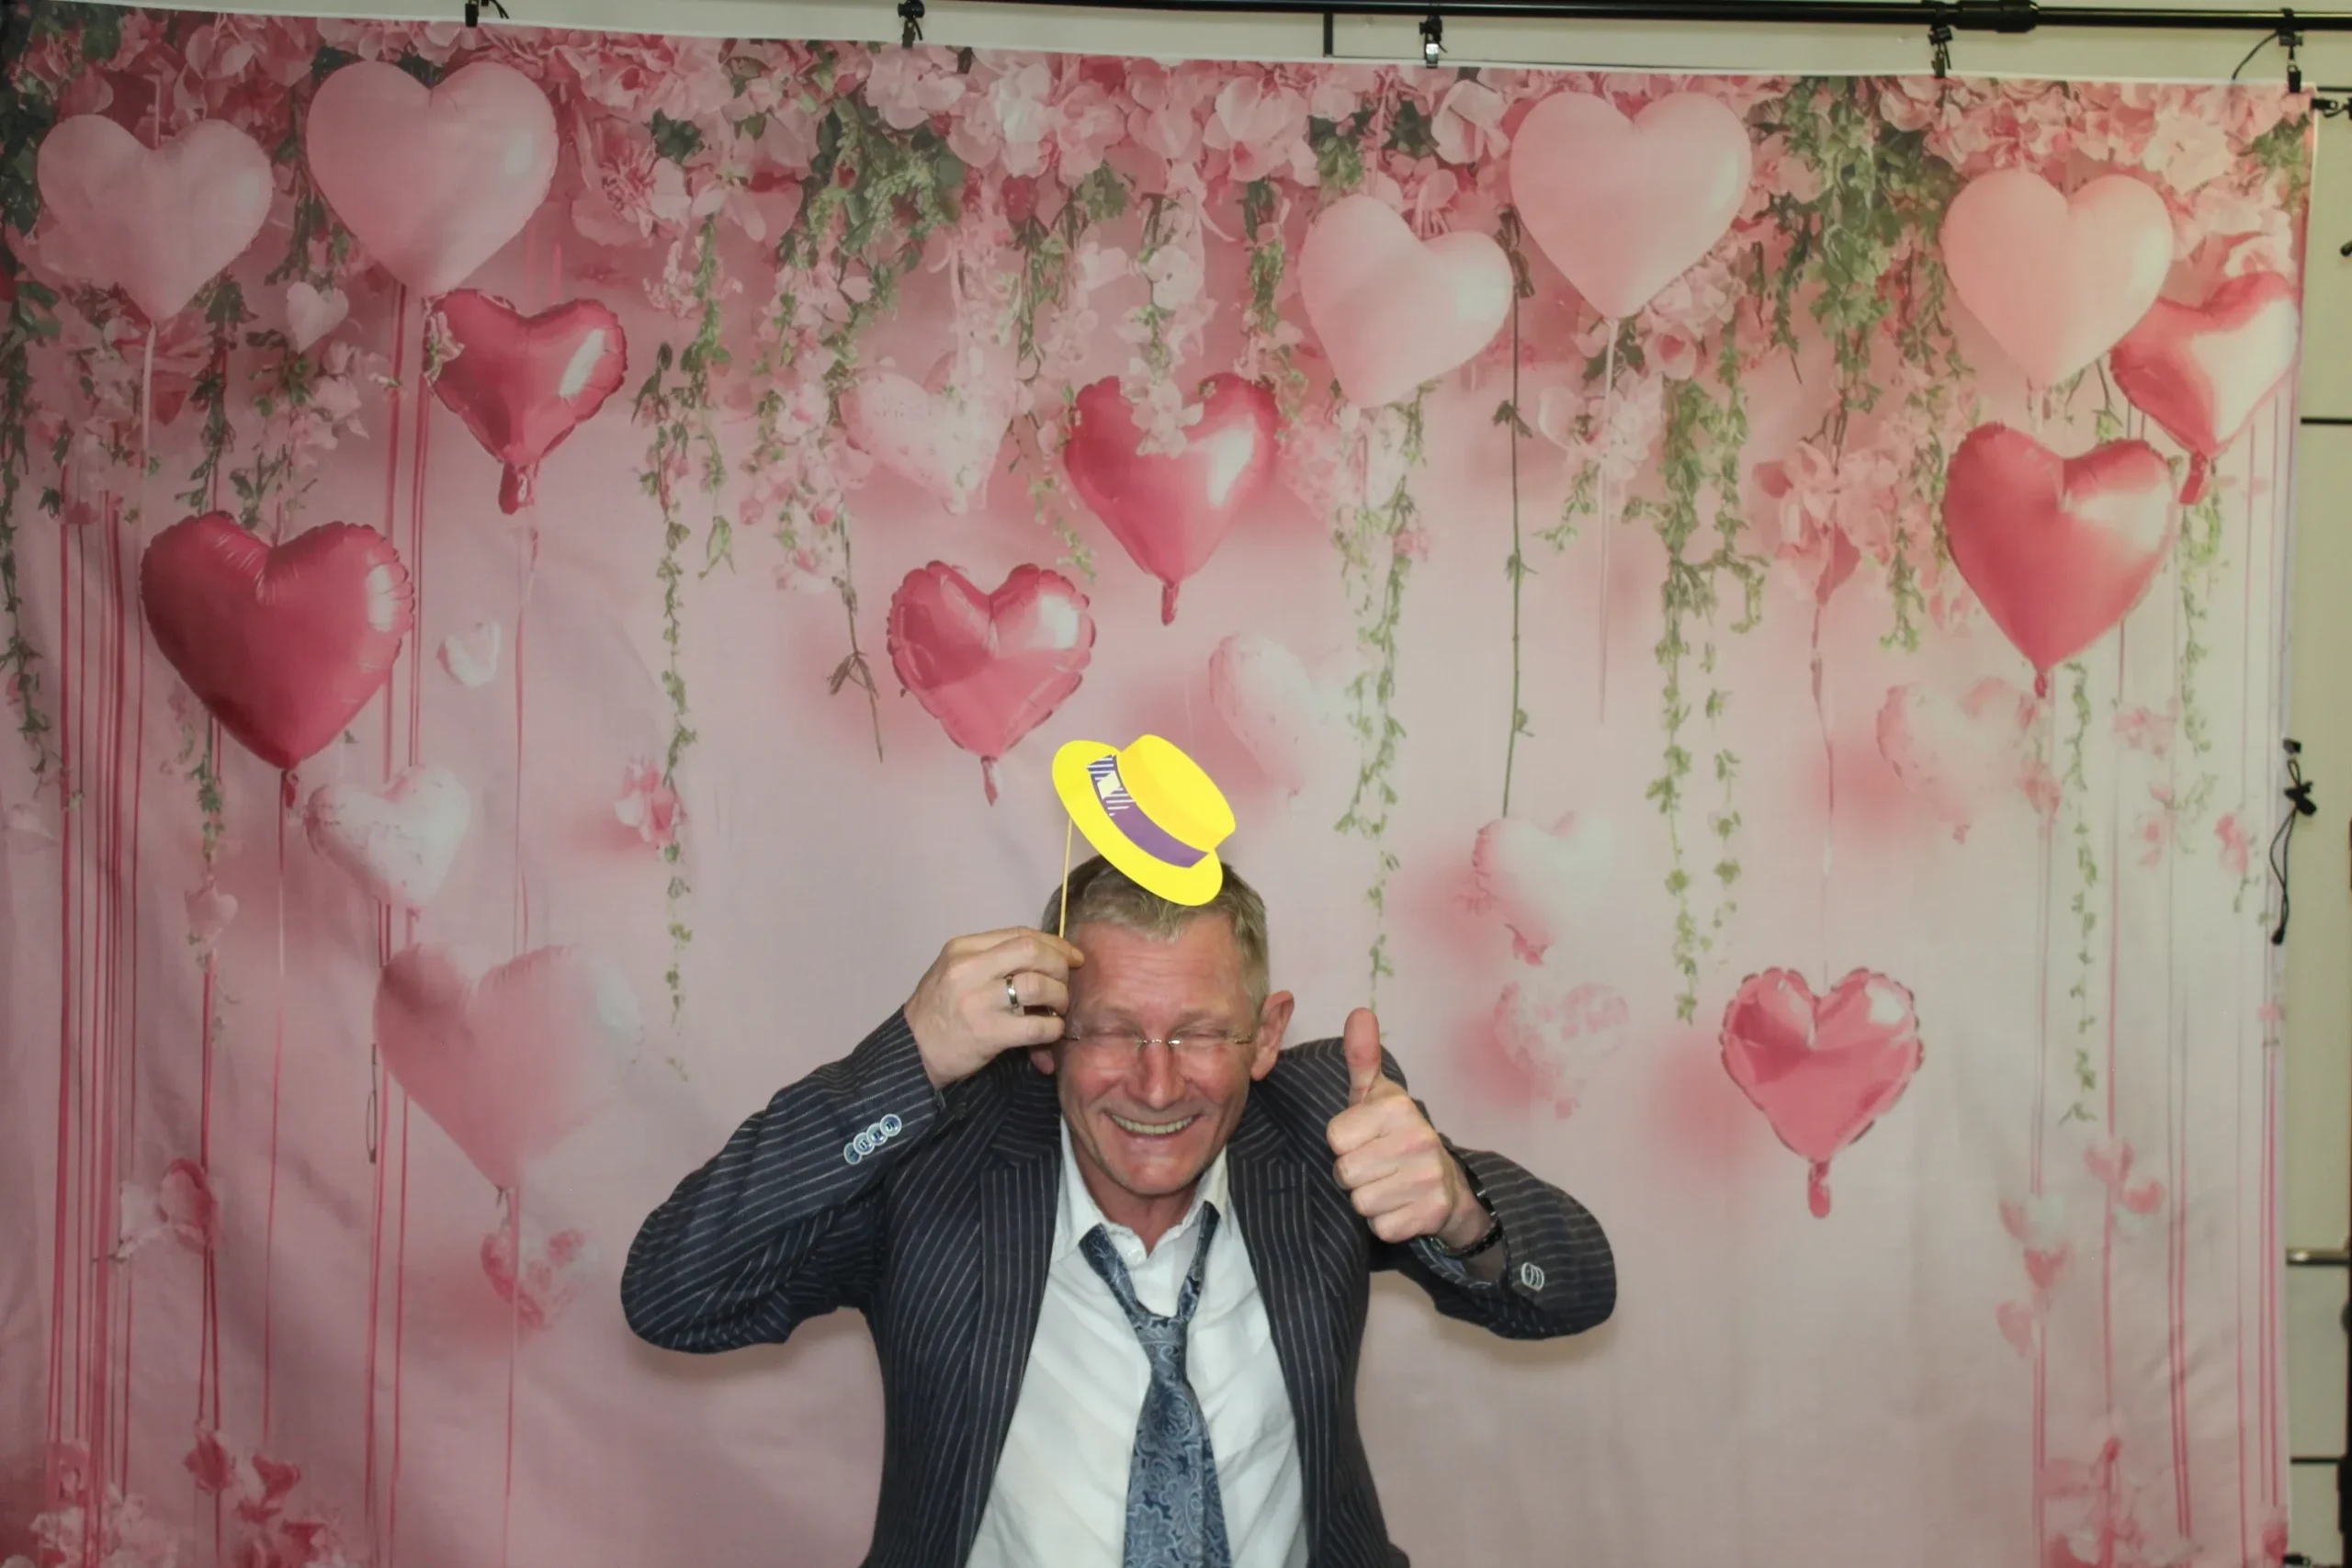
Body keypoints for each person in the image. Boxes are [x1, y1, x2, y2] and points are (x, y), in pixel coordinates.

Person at [621, 854, 1614, 1568]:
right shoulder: (937, 1164)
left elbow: (1576, 1289)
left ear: (1267, 1034)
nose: (1155, 1083)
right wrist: (908, 1055)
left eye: (1200, 1032)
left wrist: (1462, 1214)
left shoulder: (1322, 1129)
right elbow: (674, 1294)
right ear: (1047, 1034)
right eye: (1110, 1031)